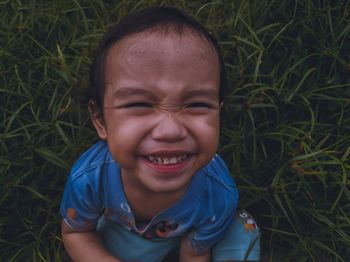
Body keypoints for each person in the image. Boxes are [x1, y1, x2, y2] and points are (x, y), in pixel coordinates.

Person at [60, 6, 260, 262]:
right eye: (139, 105)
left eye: (197, 104)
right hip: (126, 230)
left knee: (242, 238)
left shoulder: (218, 196)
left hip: (203, 226)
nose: (170, 131)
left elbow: (194, 255)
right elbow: (76, 234)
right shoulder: (88, 180)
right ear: (100, 120)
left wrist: (193, 250)